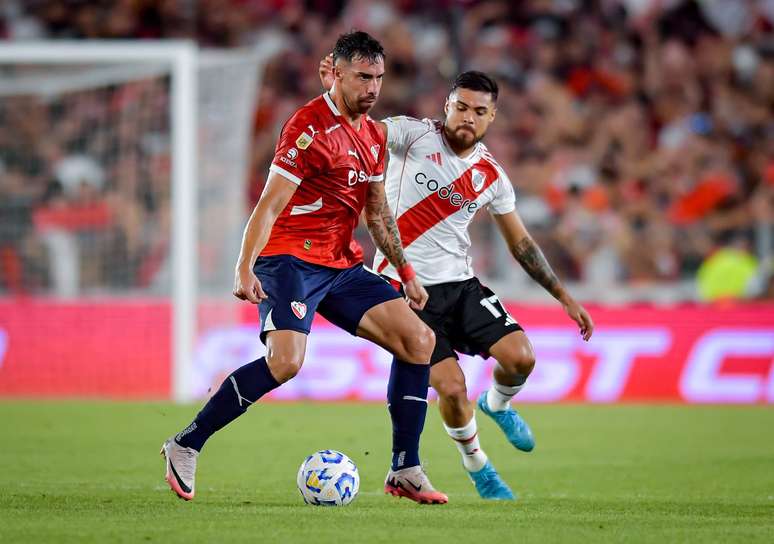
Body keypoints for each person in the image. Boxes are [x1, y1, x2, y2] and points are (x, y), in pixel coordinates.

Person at [161, 31, 448, 505]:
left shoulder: (373, 136)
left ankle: (405, 468)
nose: (373, 88)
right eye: (363, 77)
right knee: (286, 362)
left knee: (419, 341)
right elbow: (269, 204)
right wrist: (244, 266)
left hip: (339, 264)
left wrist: (407, 272)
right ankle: (186, 443)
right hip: (289, 258)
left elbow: (377, 214)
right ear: (334, 72)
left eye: (378, 77)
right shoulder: (308, 127)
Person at [319, 61, 595, 500]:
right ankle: (478, 466)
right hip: (404, 290)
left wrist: (563, 296)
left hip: (461, 286)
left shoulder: (493, 177)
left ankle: (498, 404)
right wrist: (335, 97)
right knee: (450, 388)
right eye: (461, 107)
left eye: (479, 111)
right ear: (446, 106)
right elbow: (361, 131)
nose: (468, 117)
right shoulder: (411, 135)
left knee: (521, 358)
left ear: (492, 116)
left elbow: (521, 244)